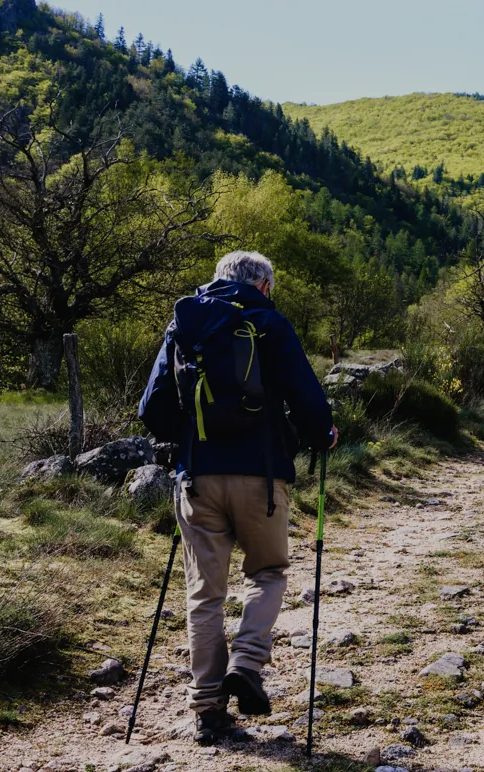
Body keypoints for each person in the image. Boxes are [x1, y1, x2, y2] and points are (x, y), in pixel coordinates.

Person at [138, 250, 336, 744]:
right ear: (264, 285)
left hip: (197, 477)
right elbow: (309, 400)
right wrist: (323, 434)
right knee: (267, 573)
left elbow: (151, 408)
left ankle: (207, 708)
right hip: (262, 480)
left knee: (205, 593)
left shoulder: (185, 324)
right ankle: (247, 663)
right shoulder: (271, 323)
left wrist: (185, 440)